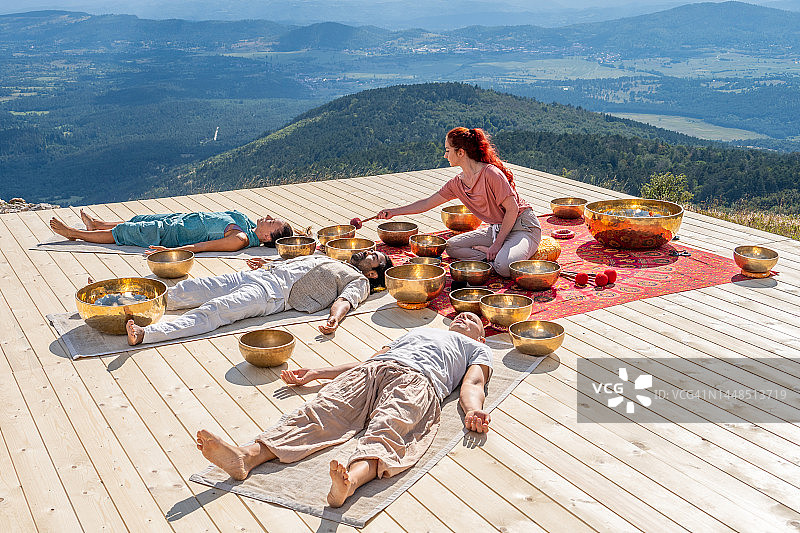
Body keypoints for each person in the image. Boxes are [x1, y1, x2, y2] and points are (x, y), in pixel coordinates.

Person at [195, 311, 492, 507]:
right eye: (461, 314)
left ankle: (351, 480)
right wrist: (318, 373)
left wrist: (472, 410)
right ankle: (246, 456)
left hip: (417, 382)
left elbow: (474, 383)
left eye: (473, 318)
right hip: (372, 372)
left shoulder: (476, 348)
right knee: (322, 411)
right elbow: (366, 361)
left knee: (390, 428)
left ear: (480, 336)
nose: (464, 316)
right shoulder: (418, 333)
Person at [124, 250, 393, 345]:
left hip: (271, 294)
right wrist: (268, 260)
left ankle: (147, 333)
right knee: (190, 289)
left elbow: (347, 299)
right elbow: (297, 264)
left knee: (215, 310)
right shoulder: (331, 258)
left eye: (374, 257)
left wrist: (334, 319)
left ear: (372, 274)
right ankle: (125, 301)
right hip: (258, 276)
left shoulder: (358, 281)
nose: (368, 252)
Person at [376, 127, 541, 277]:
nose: (445, 155)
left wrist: (497, 245)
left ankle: (500, 255)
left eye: (448, 150)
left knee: (504, 268)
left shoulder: (491, 174)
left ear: (461, 152)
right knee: (452, 247)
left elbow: (512, 210)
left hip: (522, 227)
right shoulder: (457, 183)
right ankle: (496, 255)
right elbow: (427, 203)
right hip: (498, 230)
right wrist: (393, 212)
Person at [49, 209, 293, 252]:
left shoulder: (239, 239)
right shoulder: (248, 224)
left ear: (267, 237)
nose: (268, 218)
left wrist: (169, 251)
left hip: (171, 235)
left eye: (271, 223)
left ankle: (75, 234)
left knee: (126, 232)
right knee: (138, 219)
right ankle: (98, 225)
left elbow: (202, 247)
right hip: (178, 220)